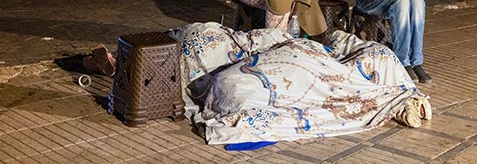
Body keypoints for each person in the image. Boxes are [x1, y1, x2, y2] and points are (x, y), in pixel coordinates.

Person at [169, 22, 432, 145]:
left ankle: (402, 99)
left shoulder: (367, 57)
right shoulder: (212, 55)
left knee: (237, 85)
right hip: (291, 57)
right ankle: (400, 98)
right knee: (235, 83)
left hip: (304, 56)